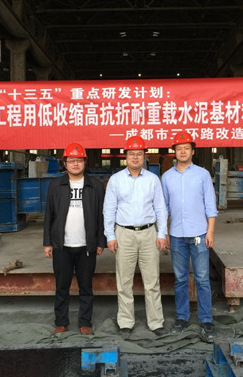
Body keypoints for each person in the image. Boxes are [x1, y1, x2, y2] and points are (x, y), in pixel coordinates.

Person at [103, 136, 169, 337]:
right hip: (124, 234)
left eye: (139, 154)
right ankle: (125, 322)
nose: (135, 157)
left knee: (152, 281)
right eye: (131, 153)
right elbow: (109, 209)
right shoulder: (116, 180)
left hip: (149, 234)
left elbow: (160, 208)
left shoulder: (152, 180)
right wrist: (110, 235)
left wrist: (162, 233)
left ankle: (156, 322)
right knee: (124, 282)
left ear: (144, 156)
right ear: (126, 156)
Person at [161, 131, 218, 341]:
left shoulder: (202, 175)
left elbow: (210, 205)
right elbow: (164, 209)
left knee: (202, 279)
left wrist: (210, 231)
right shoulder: (167, 177)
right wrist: (164, 233)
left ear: (193, 151)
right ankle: (182, 317)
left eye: (186, 148)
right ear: (174, 152)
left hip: (199, 234)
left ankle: (206, 319)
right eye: (179, 149)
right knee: (180, 279)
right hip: (176, 235)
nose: (183, 152)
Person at [44, 142, 106, 336]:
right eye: (71, 160)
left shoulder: (95, 186)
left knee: (86, 286)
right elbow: (49, 215)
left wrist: (100, 242)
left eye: (79, 160)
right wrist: (47, 242)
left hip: (87, 245)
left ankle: (85, 322)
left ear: (85, 162)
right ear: (65, 163)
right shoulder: (56, 185)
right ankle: (61, 322)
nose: (75, 164)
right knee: (61, 286)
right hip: (62, 245)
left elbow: (101, 216)